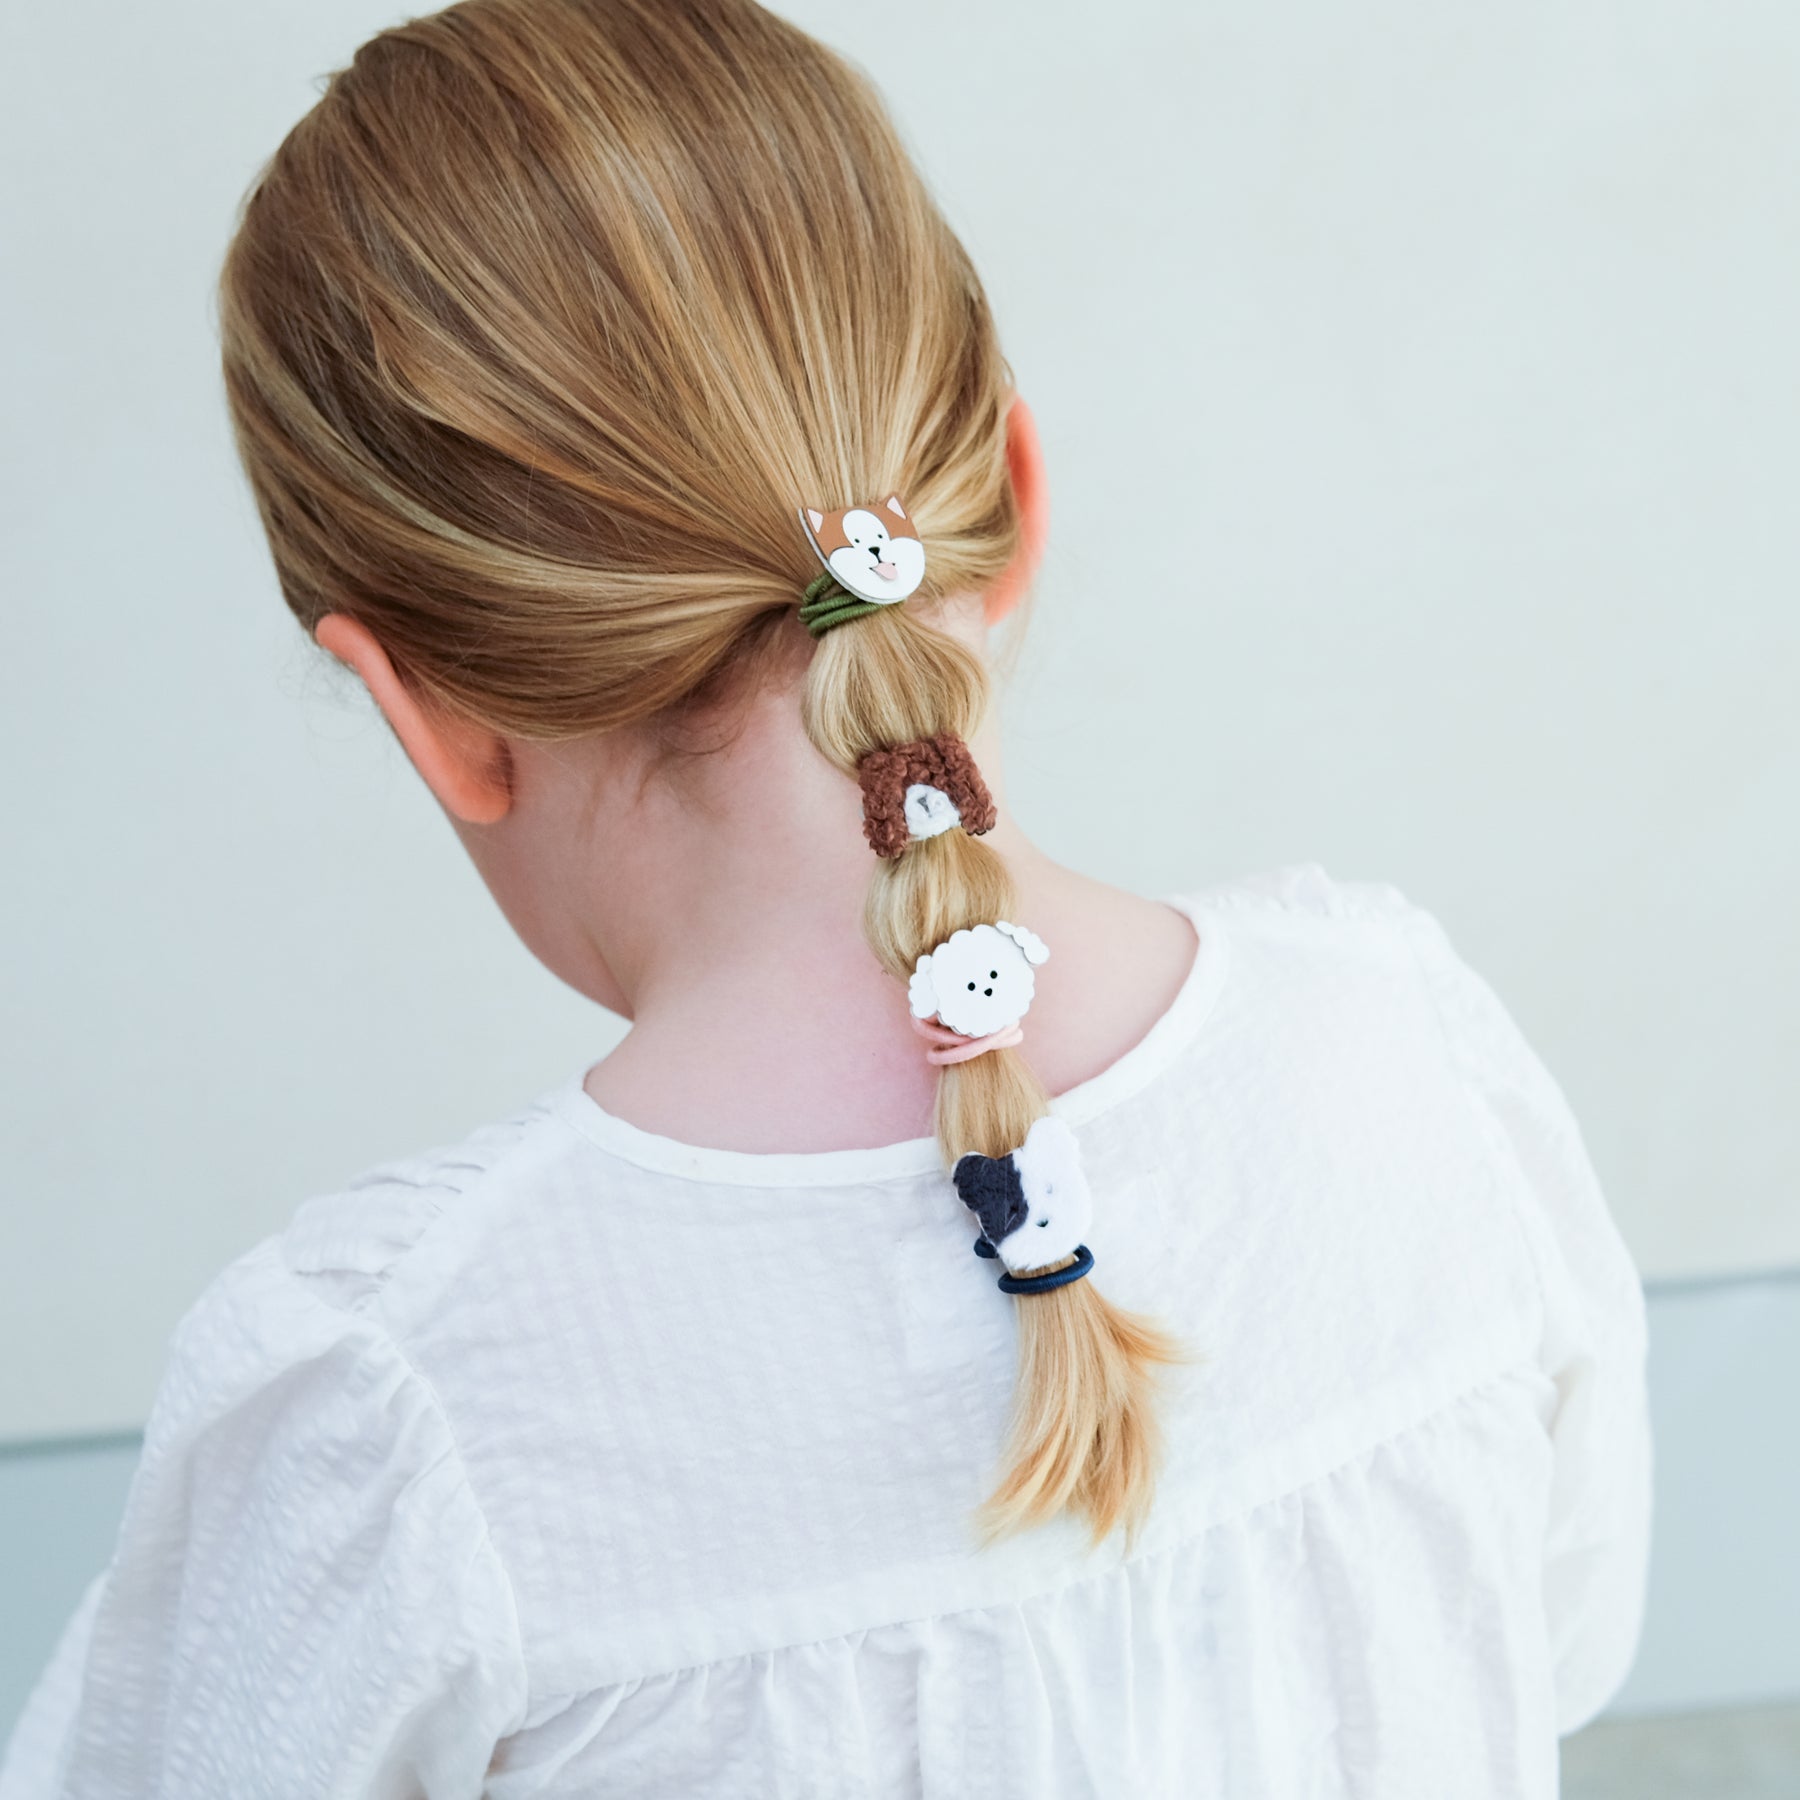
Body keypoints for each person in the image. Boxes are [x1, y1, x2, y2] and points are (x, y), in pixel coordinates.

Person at [0, 1, 1651, 1794]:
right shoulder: (1407, 1057)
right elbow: (1555, 1646)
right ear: (1011, 492)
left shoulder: (402, 1400)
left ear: (429, 712)